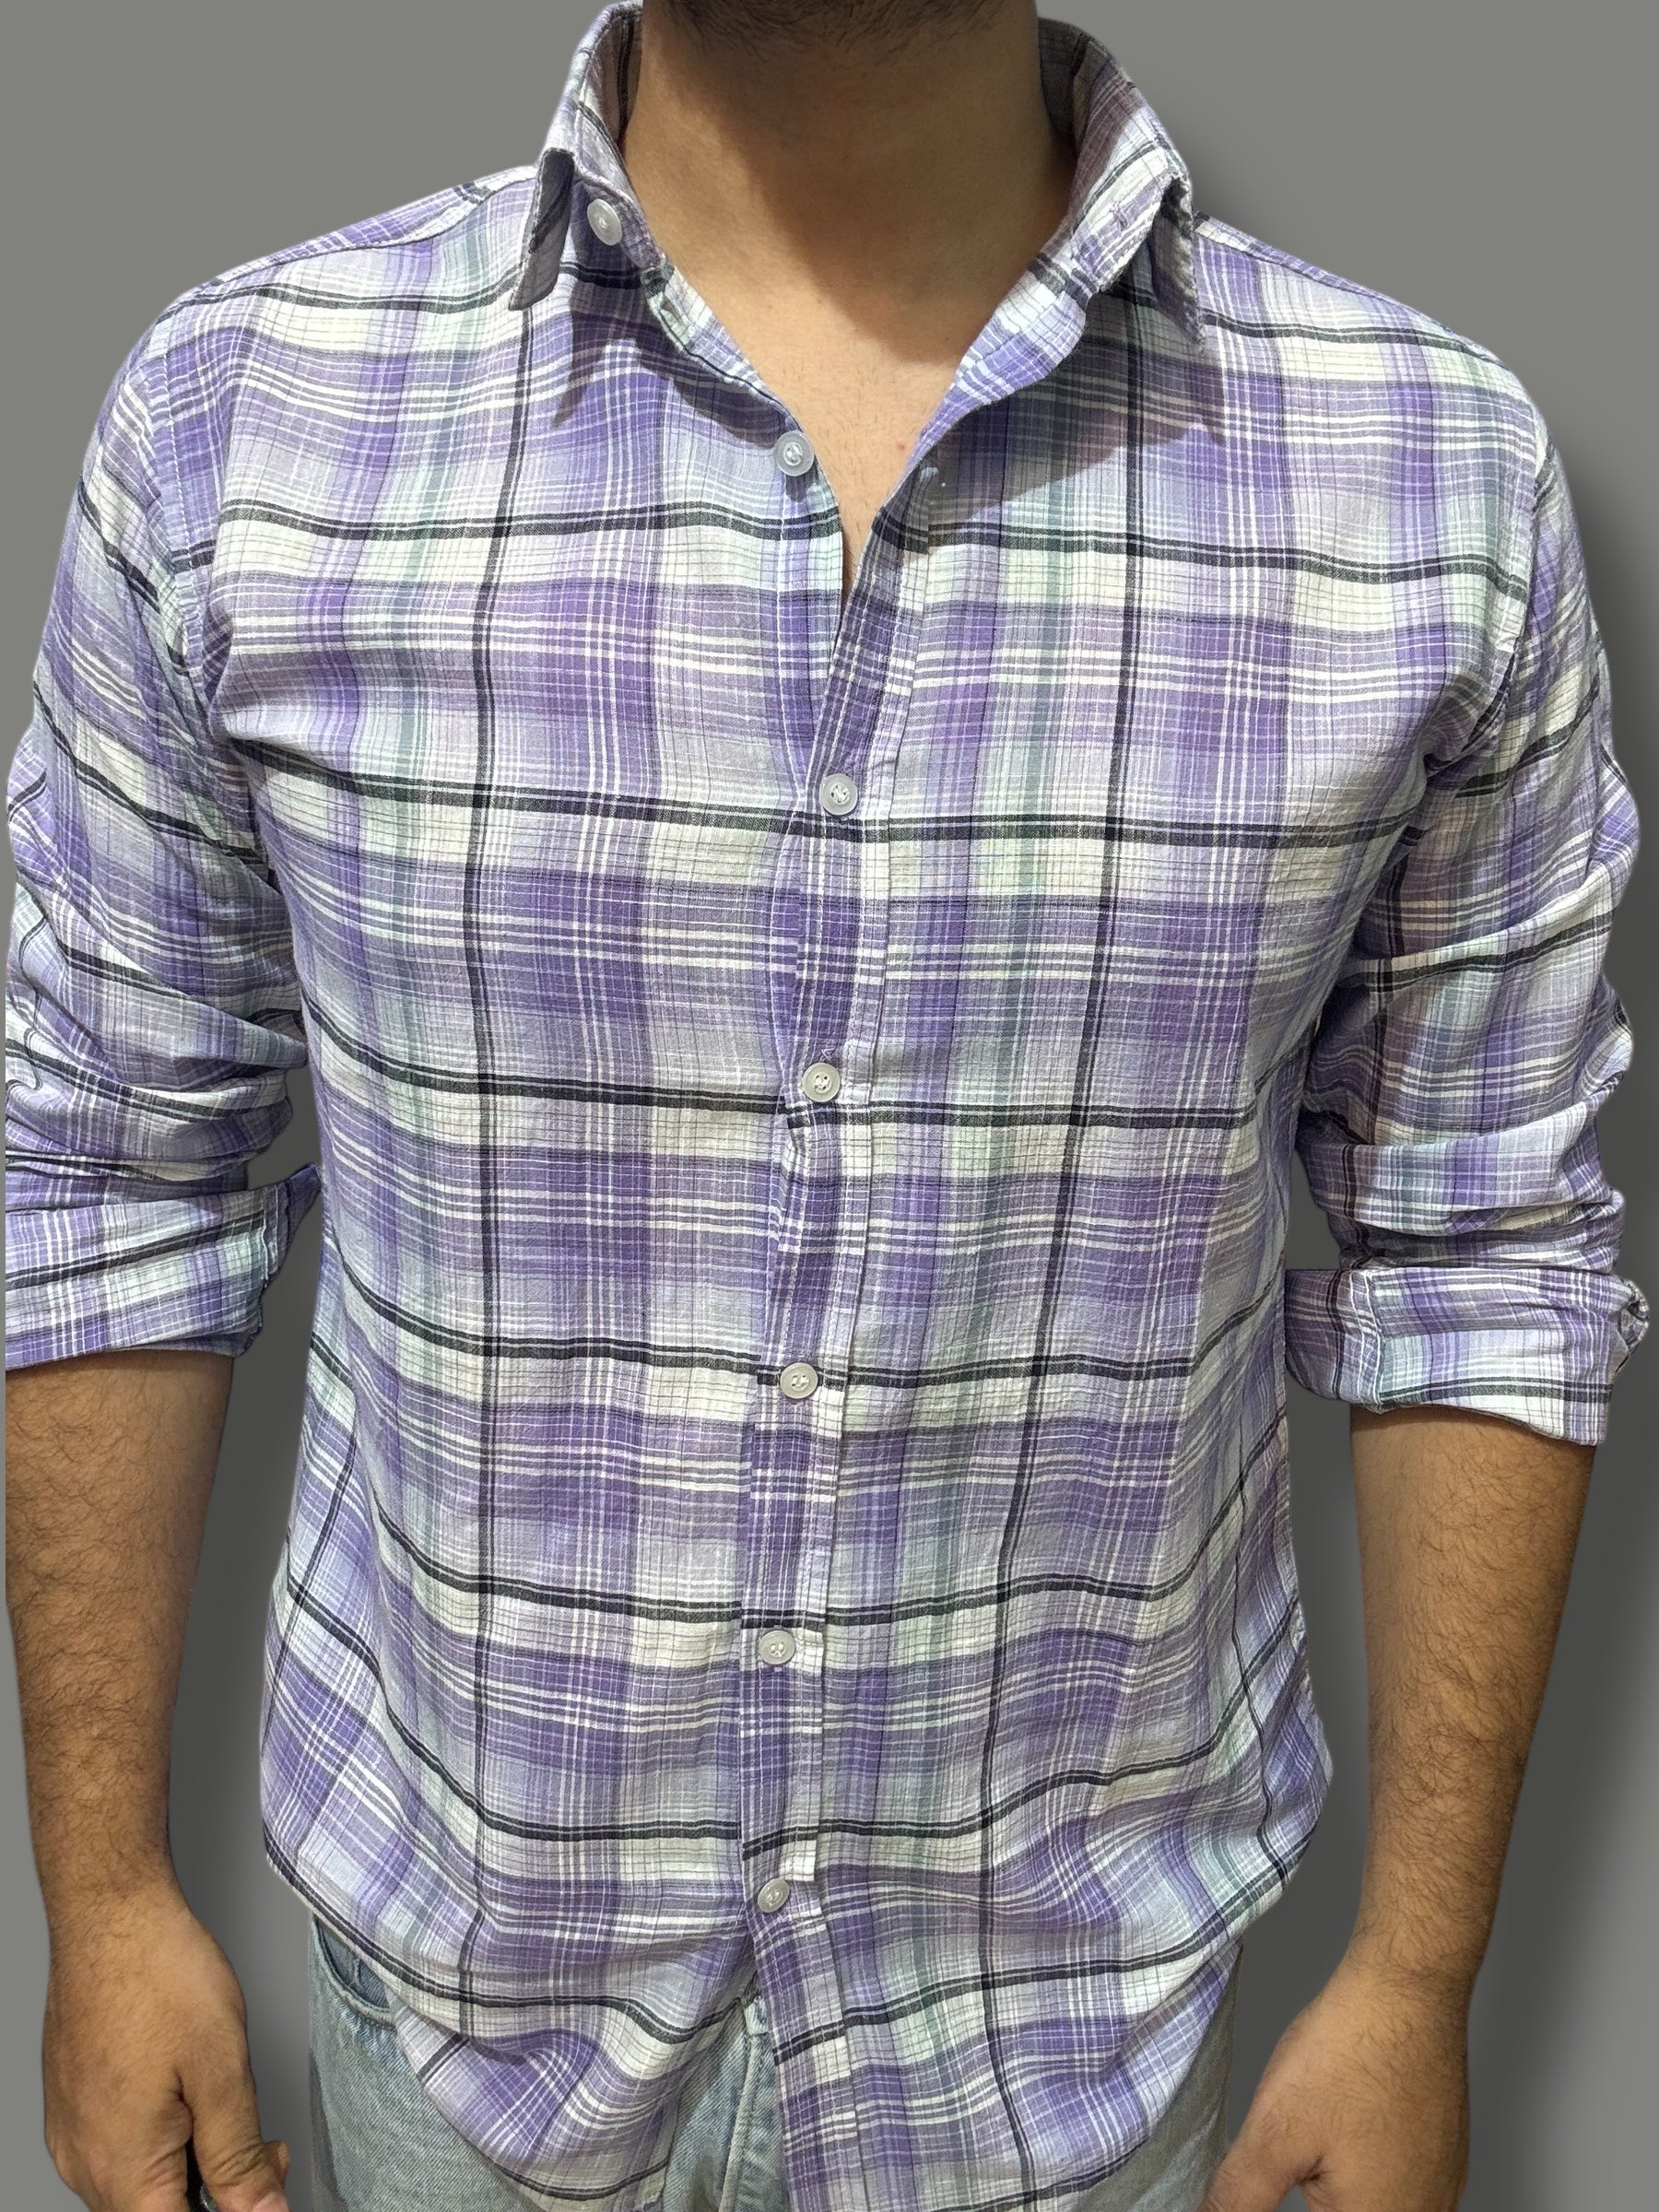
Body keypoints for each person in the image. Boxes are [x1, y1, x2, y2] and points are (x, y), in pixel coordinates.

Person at [5, 0, 1646, 2208]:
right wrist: (103, 1889)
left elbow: (1480, 1249)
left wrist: (1421, 1971)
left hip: (1081, 2061)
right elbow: (107, 1175)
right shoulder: (241, 430)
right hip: (455, 2042)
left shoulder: (1431, 487)